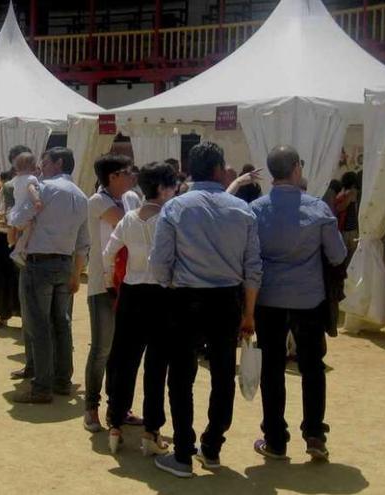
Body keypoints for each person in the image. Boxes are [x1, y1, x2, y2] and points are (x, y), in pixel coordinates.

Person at [149, 141, 262, 478]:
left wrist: (171, 283)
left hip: (184, 298)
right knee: (223, 373)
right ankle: (212, 446)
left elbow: (159, 263)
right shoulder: (243, 209)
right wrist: (249, 313)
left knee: (181, 376)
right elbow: (253, 267)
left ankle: (183, 452)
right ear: (219, 169)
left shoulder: (174, 208)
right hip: (227, 299)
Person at [249, 145, 347, 463]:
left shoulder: (255, 210)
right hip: (309, 299)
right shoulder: (318, 209)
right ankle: (315, 434)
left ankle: (276, 439)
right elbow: (337, 255)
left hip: (269, 298)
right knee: (312, 367)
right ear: (296, 169)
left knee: (272, 369)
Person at [103, 161, 178, 456]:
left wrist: (112, 283)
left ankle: (115, 425)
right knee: (156, 365)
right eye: (172, 186)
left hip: (131, 293)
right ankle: (150, 432)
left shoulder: (129, 218)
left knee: (124, 361)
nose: (174, 191)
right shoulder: (170, 219)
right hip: (162, 295)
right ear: (161, 189)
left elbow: (109, 253)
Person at [9, 147, 89, 404]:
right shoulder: (81, 195)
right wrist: (77, 273)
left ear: (59, 162)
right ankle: (62, 381)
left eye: (45, 160)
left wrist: (11, 214)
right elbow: (83, 242)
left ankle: (42, 387)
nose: (41, 165)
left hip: (40, 263)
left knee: (39, 326)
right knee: (61, 325)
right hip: (65, 263)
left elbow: (19, 219)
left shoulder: (44, 188)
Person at [83, 154, 142, 432]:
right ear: (112, 177)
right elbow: (128, 226)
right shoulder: (98, 200)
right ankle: (91, 407)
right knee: (101, 349)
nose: (132, 176)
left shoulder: (131, 198)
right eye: (127, 172)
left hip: (127, 284)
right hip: (102, 284)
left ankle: (118, 407)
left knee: (122, 351)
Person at [0, 168, 22, 332]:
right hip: (3, 235)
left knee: (19, 277)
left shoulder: (29, 191)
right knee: (1, 275)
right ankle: (3, 314)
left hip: (20, 238)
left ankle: (24, 315)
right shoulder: (5, 190)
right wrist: (0, 214)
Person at [7, 152, 43, 266]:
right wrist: (37, 200)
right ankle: (18, 251)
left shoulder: (16, 179)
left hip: (15, 213)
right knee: (30, 228)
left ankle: (16, 246)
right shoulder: (31, 178)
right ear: (32, 167)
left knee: (21, 231)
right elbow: (31, 189)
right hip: (25, 211)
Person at [335, 171, 360, 259]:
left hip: (349, 230)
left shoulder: (352, 193)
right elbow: (340, 208)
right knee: (348, 256)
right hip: (347, 230)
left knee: (349, 257)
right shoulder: (344, 193)